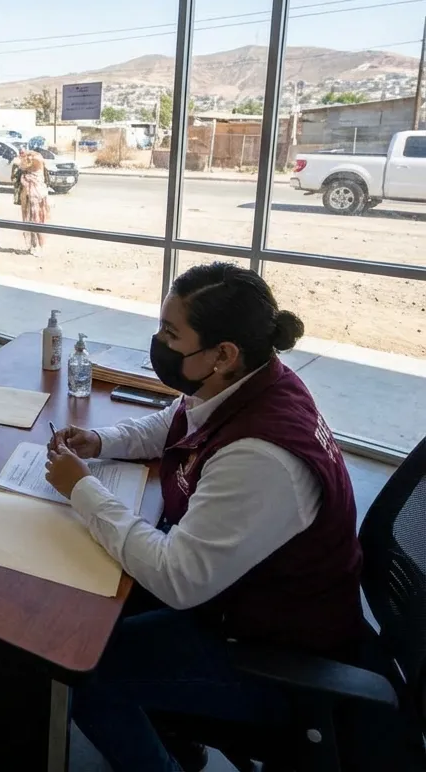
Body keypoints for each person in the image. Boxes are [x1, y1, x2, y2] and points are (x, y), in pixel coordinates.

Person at [44, 263, 362, 772]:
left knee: (86, 669)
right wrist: (101, 442)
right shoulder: (248, 382)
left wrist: (82, 488)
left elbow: (178, 579)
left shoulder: (260, 456)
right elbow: (172, 422)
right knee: (89, 602)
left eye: (171, 333)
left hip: (272, 653)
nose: (158, 342)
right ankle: (174, 738)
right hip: (240, 597)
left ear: (223, 354)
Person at [14, 146, 49, 257]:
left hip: (36, 196)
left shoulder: (37, 161)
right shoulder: (30, 162)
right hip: (29, 196)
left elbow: (22, 165)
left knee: (37, 222)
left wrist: (25, 156)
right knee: (29, 221)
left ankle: (40, 247)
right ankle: (33, 246)